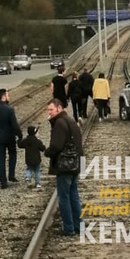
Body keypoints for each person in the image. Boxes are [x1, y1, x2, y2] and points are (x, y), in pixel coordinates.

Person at [44, 98, 83, 235]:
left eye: (51, 110)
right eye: (48, 110)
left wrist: (47, 152)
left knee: (64, 198)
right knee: (74, 196)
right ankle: (79, 226)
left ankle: (68, 228)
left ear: (59, 108)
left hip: (64, 165)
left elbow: (56, 146)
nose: (49, 113)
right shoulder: (71, 120)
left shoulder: (59, 123)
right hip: (74, 164)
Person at [18, 124, 46, 189]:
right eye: (37, 133)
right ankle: (38, 183)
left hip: (28, 159)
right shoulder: (37, 141)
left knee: (29, 169)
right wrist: (43, 147)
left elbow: (20, 145)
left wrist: (19, 139)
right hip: (37, 160)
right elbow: (42, 148)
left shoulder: (26, 140)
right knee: (37, 171)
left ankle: (28, 177)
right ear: (35, 133)